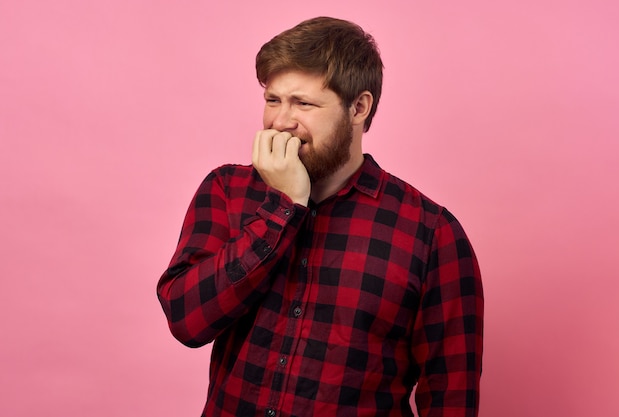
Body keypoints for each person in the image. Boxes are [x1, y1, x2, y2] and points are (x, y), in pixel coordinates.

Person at [157, 16, 484, 417]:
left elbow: (451, 398)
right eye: (273, 100)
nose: (280, 122)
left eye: (304, 104)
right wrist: (283, 208)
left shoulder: (433, 234)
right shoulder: (226, 190)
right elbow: (186, 321)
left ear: (358, 108)